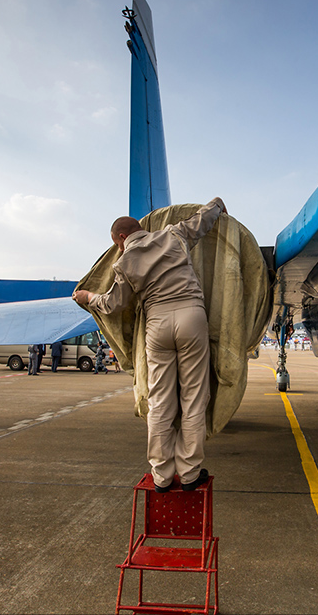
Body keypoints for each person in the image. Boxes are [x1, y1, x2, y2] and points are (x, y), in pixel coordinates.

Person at [73, 197, 226, 493]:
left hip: (157, 325)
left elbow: (112, 304)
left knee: (160, 400)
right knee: (194, 397)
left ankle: (162, 475)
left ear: (121, 238)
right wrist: (217, 205)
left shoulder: (123, 262)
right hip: (191, 315)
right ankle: (190, 472)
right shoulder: (173, 234)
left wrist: (88, 297)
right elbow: (201, 220)